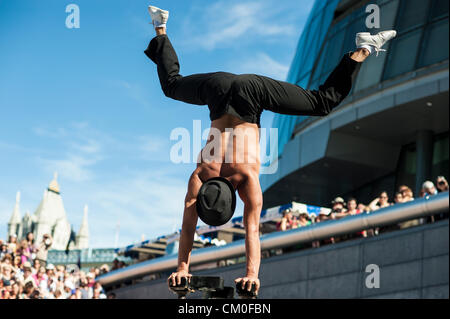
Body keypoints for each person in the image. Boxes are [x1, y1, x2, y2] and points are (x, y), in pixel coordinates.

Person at [145, 5, 397, 295]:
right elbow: (188, 226)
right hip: (219, 87)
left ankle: (363, 49)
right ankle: (160, 26)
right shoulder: (200, 175)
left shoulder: (244, 178)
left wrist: (249, 274)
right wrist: (182, 267)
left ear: (234, 201)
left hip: (253, 94)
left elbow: (252, 230)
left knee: (321, 103)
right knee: (173, 85)